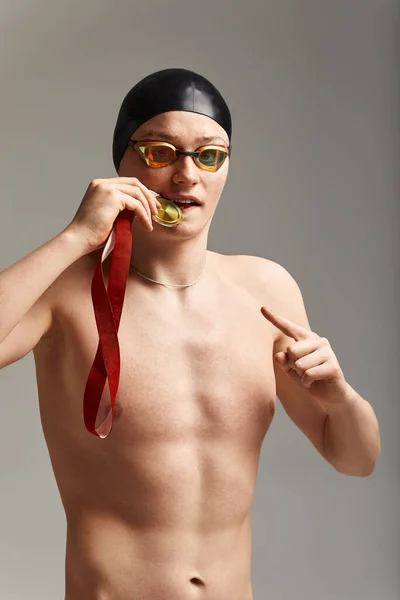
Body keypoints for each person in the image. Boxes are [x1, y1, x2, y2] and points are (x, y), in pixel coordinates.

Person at [0, 68, 381, 600]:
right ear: (123, 163)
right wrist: (76, 237)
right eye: (160, 152)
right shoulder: (65, 293)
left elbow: (357, 460)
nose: (186, 176)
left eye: (208, 155)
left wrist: (339, 395)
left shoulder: (265, 290)